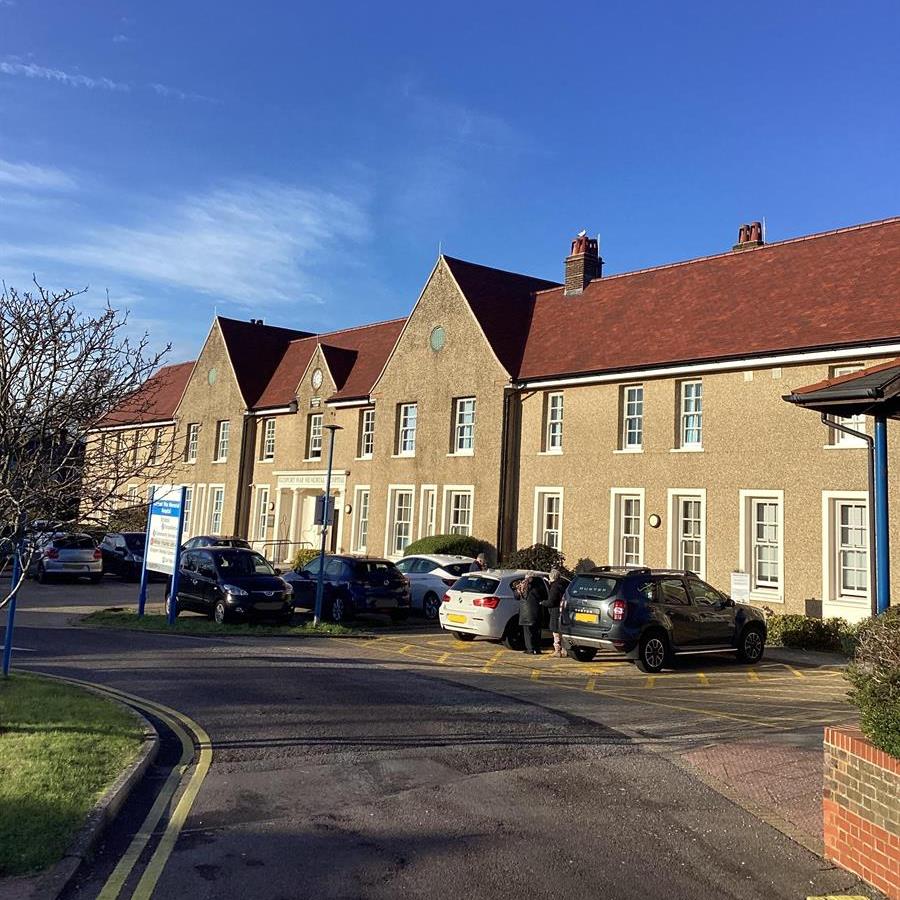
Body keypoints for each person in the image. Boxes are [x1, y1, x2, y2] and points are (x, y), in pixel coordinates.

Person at [518, 571, 547, 654]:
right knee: (537, 632)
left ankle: (530, 649)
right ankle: (537, 649)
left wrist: (518, 589)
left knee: (528, 633)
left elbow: (516, 596)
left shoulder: (523, 586)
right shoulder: (538, 586)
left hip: (525, 613)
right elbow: (544, 596)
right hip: (536, 612)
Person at [543, 567, 569, 657]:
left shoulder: (554, 587)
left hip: (555, 611)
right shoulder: (565, 584)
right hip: (564, 610)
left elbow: (551, 601)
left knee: (556, 632)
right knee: (562, 632)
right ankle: (565, 650)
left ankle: (557, 650)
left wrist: (543, 602)